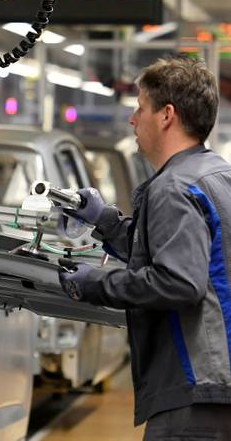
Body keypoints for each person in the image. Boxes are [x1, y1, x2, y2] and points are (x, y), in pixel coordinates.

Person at [58, 56, 231, 440]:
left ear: (166, 115)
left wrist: (95, 284)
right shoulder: (216, 175)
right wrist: (105, 221)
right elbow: (182, 251)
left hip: (194, 392)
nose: (133, 119)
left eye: (140, 108)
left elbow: (179, 281)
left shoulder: (173, 188)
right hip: (219, 386)